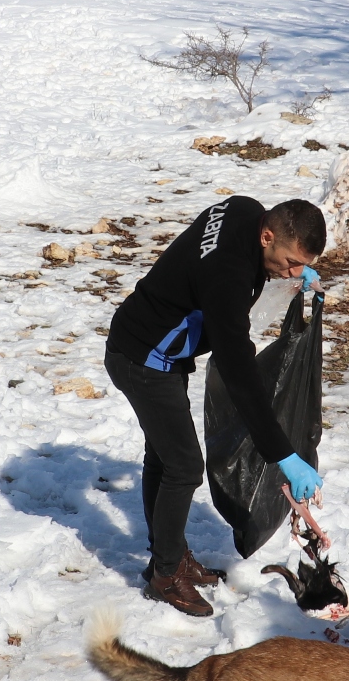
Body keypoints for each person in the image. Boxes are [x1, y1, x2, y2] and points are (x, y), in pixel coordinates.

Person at [104, 196, 328, 616]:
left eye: (302, 264)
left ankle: (167, 553)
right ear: (266, 237)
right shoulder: (227, 277)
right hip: (142, 360)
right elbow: (239, 374)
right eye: (291, 261)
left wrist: (288, 276)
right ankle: (166, 575)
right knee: (183, 466)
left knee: (164, 455)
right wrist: (284, 456)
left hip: (152, 347)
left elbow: (222, 267)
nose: (293, 271)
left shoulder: (245, 210)